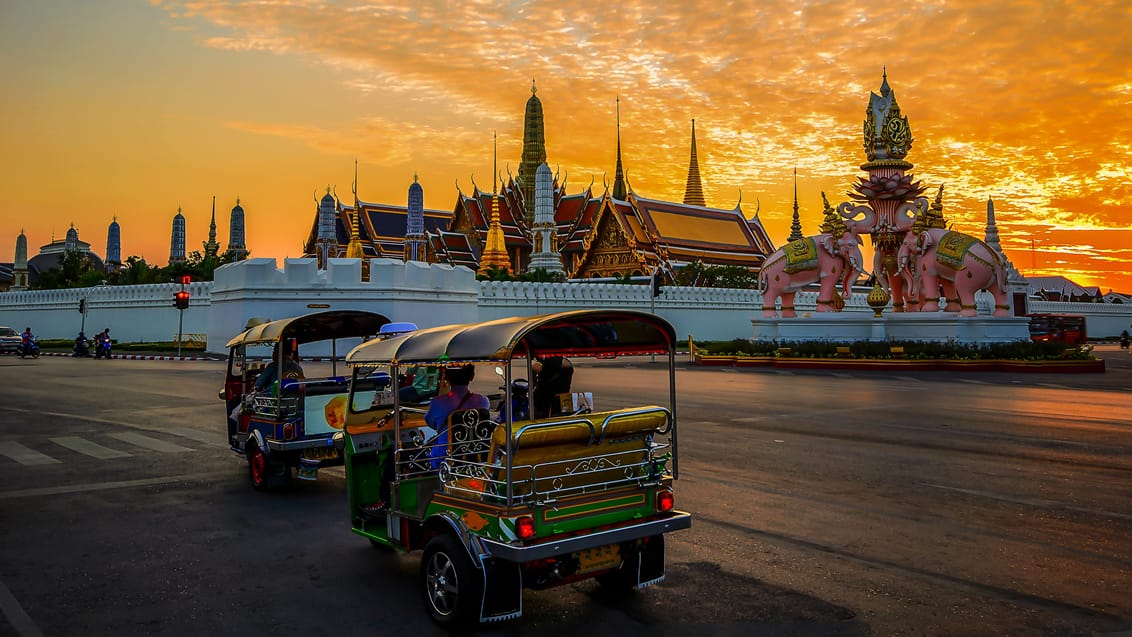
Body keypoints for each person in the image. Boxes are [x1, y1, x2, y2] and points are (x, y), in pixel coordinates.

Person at [425, 364, 490, 469]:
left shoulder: (437, 402)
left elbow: (431, 423)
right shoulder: (483, 401)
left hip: (445, 458)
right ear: (472, 376)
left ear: (446, 377)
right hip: (477, 456)